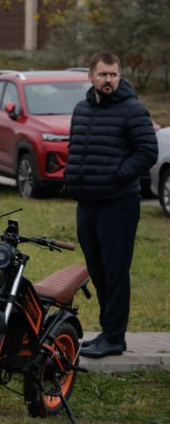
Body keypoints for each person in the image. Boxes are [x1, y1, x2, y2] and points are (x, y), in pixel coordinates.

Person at [65, 51, 157, 359]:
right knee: (98, 270)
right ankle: (107, 332)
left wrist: (118, 176)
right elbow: (76, 147)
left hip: (118, 203)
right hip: (87, 202)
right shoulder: (81, 110)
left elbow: (147, 152)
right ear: (90, 76)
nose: (109, 80)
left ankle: (115, 337)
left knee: (115, 271)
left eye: (113, 75)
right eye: (103, 75)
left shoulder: (133, 111)